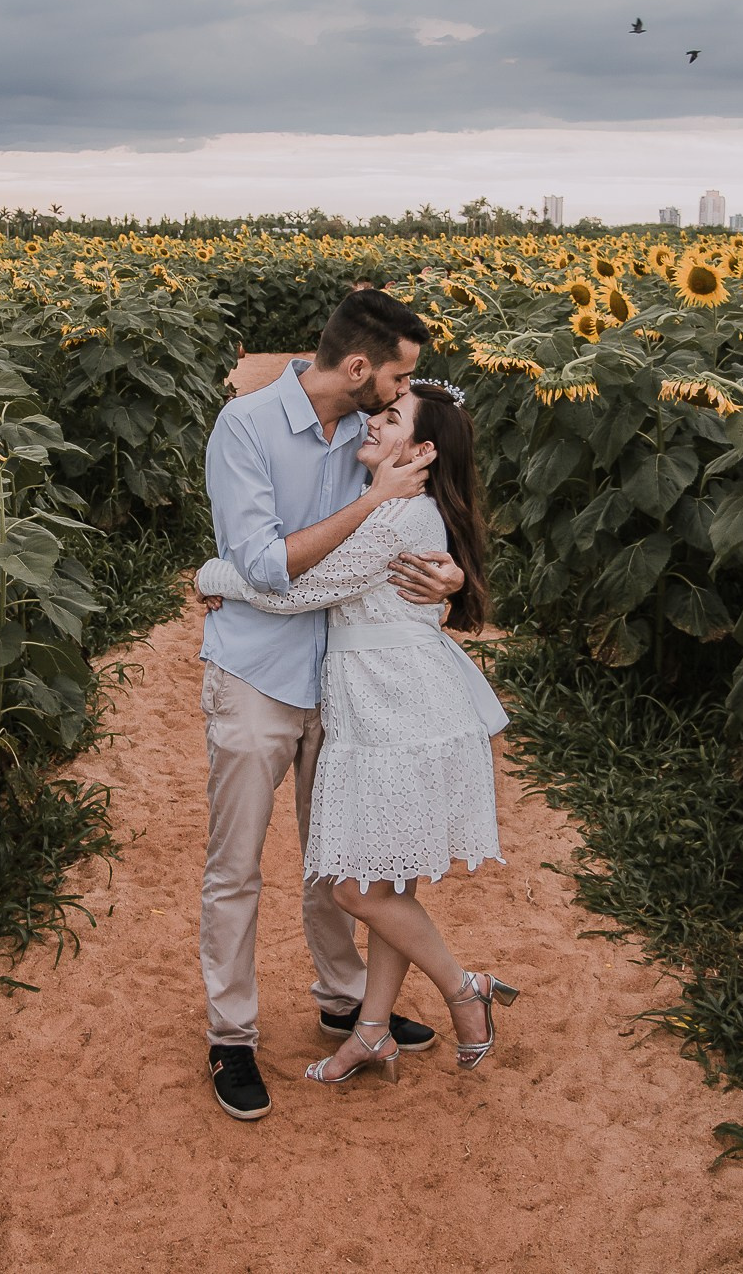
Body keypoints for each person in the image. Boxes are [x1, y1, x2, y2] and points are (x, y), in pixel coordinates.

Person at [197, 379, 518, 1089]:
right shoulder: (374, 483)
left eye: (393, 414)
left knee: (355, 884)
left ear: (424, 448)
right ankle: (369, 1027)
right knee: (378, 872)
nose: (375, 417)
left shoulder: (398, 513)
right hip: (377, 708)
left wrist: (213, 571)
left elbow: (298, 585)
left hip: (394, 715)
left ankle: (466, 989)